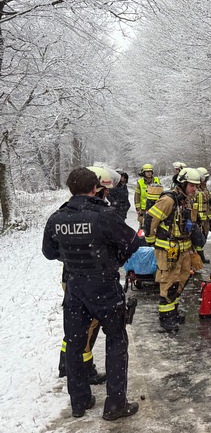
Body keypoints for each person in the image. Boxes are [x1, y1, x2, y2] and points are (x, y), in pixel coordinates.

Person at [42, 167, 140, 420]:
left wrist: (73, 257)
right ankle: (115, 404)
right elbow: (132, 242)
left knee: (74, 344)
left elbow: (49, 252)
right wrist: (115, 257)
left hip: (75, 288)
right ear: (95, 187)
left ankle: (80, 401)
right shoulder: (104, 215)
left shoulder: (57, 217)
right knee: (116, 341)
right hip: (104, 287)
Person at [57, 166, 116, 386]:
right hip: (89, 279)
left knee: (77, 328)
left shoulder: (66, 212)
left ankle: (69, 363)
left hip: (74, 276)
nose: (106, 194)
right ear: (95, 188)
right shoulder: (96, 215)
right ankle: (83, 369)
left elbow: (52, 250)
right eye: (104, 189)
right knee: (89, 326)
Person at [145, 167, 200, 332]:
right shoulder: (169, 200)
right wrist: (150, 240)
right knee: (168, 282)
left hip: (183, 249)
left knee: (180, 282)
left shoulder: (186, 201)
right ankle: (166, 318)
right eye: (192, 186)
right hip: (168, 250)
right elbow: (151, 218)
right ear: (182, 184)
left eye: (196, 186)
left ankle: (173, 312)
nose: (194, 189)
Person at [192, 167, 211, 263]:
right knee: (198, 238)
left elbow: (208, 205)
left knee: (204, 237)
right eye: (205, 179)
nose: (206, 181)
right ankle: (198, 257)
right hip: (197, 220)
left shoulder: (205, 190)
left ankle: (199, 255)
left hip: (206, 219)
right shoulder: (194, 190)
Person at [134, 164, 161, 228]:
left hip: (156, 208)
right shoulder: (140, 182)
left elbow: (161, 194)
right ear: (144, 173)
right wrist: (138, 209)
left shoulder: (157, 180)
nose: (149, 173)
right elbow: (137, 196)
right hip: (144, 210)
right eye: (147, 172)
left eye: (150, 171)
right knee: (143, 227)